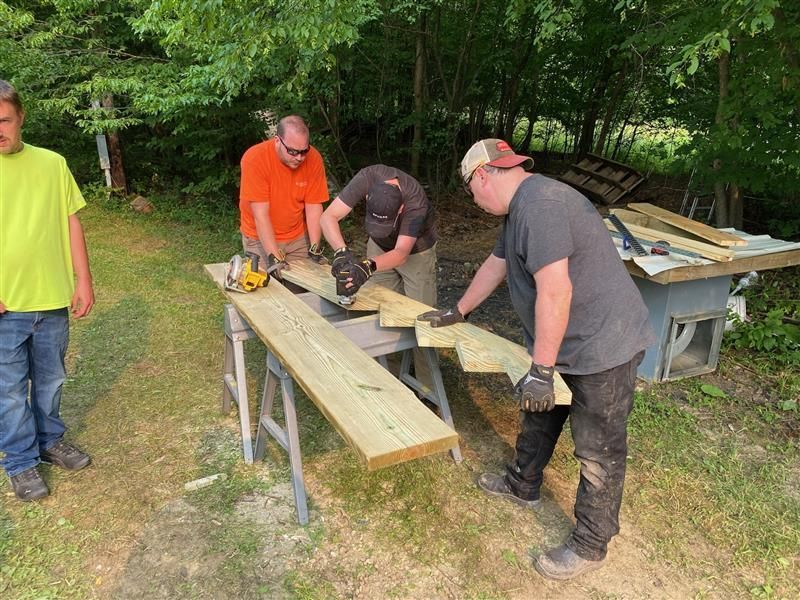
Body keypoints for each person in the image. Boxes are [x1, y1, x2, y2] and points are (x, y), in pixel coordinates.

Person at [419, 139, 656, 580]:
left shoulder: (542, 205)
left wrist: (542, 370)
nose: (475, 200)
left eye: (472, 191)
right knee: (540, 413)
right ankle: (522, 484)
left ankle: (590, 542)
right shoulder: (522, 207)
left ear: (484, 175)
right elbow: (497, 263)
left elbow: (556, 290)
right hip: (566, 339)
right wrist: (460, 309)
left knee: (597, 450)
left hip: (602, 345)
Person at [0, 79, 95, 502]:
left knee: (50, 380)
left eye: (4, 120)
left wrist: (84, 279)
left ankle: (49, 440)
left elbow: (72, 220)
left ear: (20, 118)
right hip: (6, 305)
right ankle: (20, 462)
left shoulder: (52, 164)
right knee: (8, 389)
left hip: (52, 299)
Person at [321, 164, 438, 388]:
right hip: (380, 247)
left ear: (401, 208)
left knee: (422, 318)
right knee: (379, 308)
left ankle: (427, 388)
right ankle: (386, 377)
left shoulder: (415, 200)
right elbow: (328, 217)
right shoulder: (367, 177)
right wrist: (341, 253)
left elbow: (401, 253)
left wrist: (367, 266)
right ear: (367, 196)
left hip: (416, 251)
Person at [239, 115, 329, 279]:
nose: (299, 158)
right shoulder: (255, 158)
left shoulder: (314, 158)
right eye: (293, 152)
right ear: (277, 140)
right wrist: (274, 256)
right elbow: (261, 215)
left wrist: (314, 249)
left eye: (304, 151)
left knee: (303, 292)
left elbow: (314, 206)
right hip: (259, 237)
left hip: (298, 238)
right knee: (265, 293)